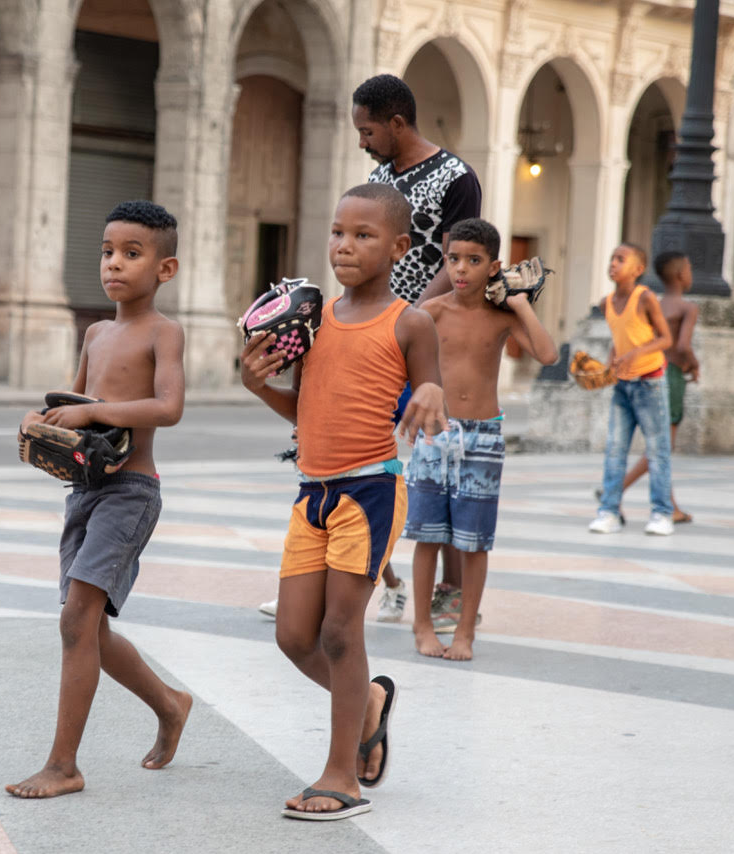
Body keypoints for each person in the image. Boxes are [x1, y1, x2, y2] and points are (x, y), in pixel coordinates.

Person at [241, 183, 447, 820]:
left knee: (338, 631)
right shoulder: (313, 320)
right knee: (292, 634)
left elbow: (432, 388)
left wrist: (432, 395)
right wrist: (258, 386)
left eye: (363, 235)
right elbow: (303, 412)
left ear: (398, 246)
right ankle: (372, 708)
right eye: (337, 232)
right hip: (313, 494)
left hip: (370, 491)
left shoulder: (409, 322)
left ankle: (341, 776)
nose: (345, 245)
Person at [6, 200, 193, 799]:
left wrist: (89, 409)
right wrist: (46, 423)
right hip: (85, 491)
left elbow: (168, 407)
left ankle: (64, 766)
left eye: (131, 254)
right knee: (85, 629)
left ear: (165, 270)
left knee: (77, 620)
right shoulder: (97, 332)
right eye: (108, 252)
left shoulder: (164, 332)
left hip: (131, 493)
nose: (115, 264)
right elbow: (76, 404)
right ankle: (169, 703)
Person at [358, 73, 483, 621]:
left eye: (368, 130)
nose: (362, 141)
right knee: (353, 453)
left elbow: (455, 257)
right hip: (373, 332)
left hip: (425, 337)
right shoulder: (378, 178)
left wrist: (409, 315)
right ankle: (371, 579)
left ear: (397, 123)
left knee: (442, 464)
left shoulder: (456, 177)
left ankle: (453, 593)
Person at [405, 218, 558, 661]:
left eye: (474, 261)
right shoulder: (432, 313)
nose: (461, 269)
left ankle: (466, 632)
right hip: (436, 433)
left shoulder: (501, 318)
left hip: (485, 436)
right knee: (427, 535)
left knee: (475, 541)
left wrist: (520, 304)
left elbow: (548, 354)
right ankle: (422, 626)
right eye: (454, 259)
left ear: (493, 266)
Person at [588, 243, 676, 536]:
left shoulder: (645, 298)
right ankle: (608, 511)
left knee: (657, 450)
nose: (613, 263)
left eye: (621, 259)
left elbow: (665, 339)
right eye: (612, 258)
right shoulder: (607, 303)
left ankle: (662, 513)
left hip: (650, 382)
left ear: (638, 270)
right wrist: (609, 366)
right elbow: (620, 338)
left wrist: (636, 354)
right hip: (623, 386)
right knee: (615, 449)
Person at [616, 251, 699, 523]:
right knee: (662, 446)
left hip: (648, 373)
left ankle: (671, 506)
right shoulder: (687, 307)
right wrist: (694, 364)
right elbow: (683, 345)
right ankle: (614, 490)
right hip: (672, 375)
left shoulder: (653, 304)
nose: (690, 273)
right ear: (679, 274)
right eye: (688, 268)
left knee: (658, 444)